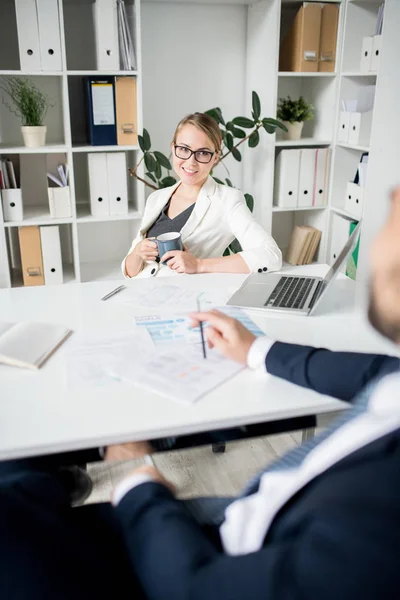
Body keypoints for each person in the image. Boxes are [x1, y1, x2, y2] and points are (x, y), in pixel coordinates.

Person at [2, 189, 400, 599]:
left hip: (210, 553)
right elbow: (376, 372)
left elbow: (196, 587)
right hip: (261, 506)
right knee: (18, 466)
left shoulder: (379, 524)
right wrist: (257, 349)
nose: (376, 238)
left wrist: (137, 474)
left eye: (395, 210)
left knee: (11, 496)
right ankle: (43, 483)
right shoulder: (158, 198)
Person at [122, 112, 282, 278]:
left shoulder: (227, 200)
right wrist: (136, 252)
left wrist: (199, 265)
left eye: (203, 153)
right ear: (173, 148)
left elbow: (271, 256)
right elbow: (130, 272)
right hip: (141, 296)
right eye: (184, 149)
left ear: (215, 157)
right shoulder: (156, 199)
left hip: (187, 299)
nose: (191, 162)